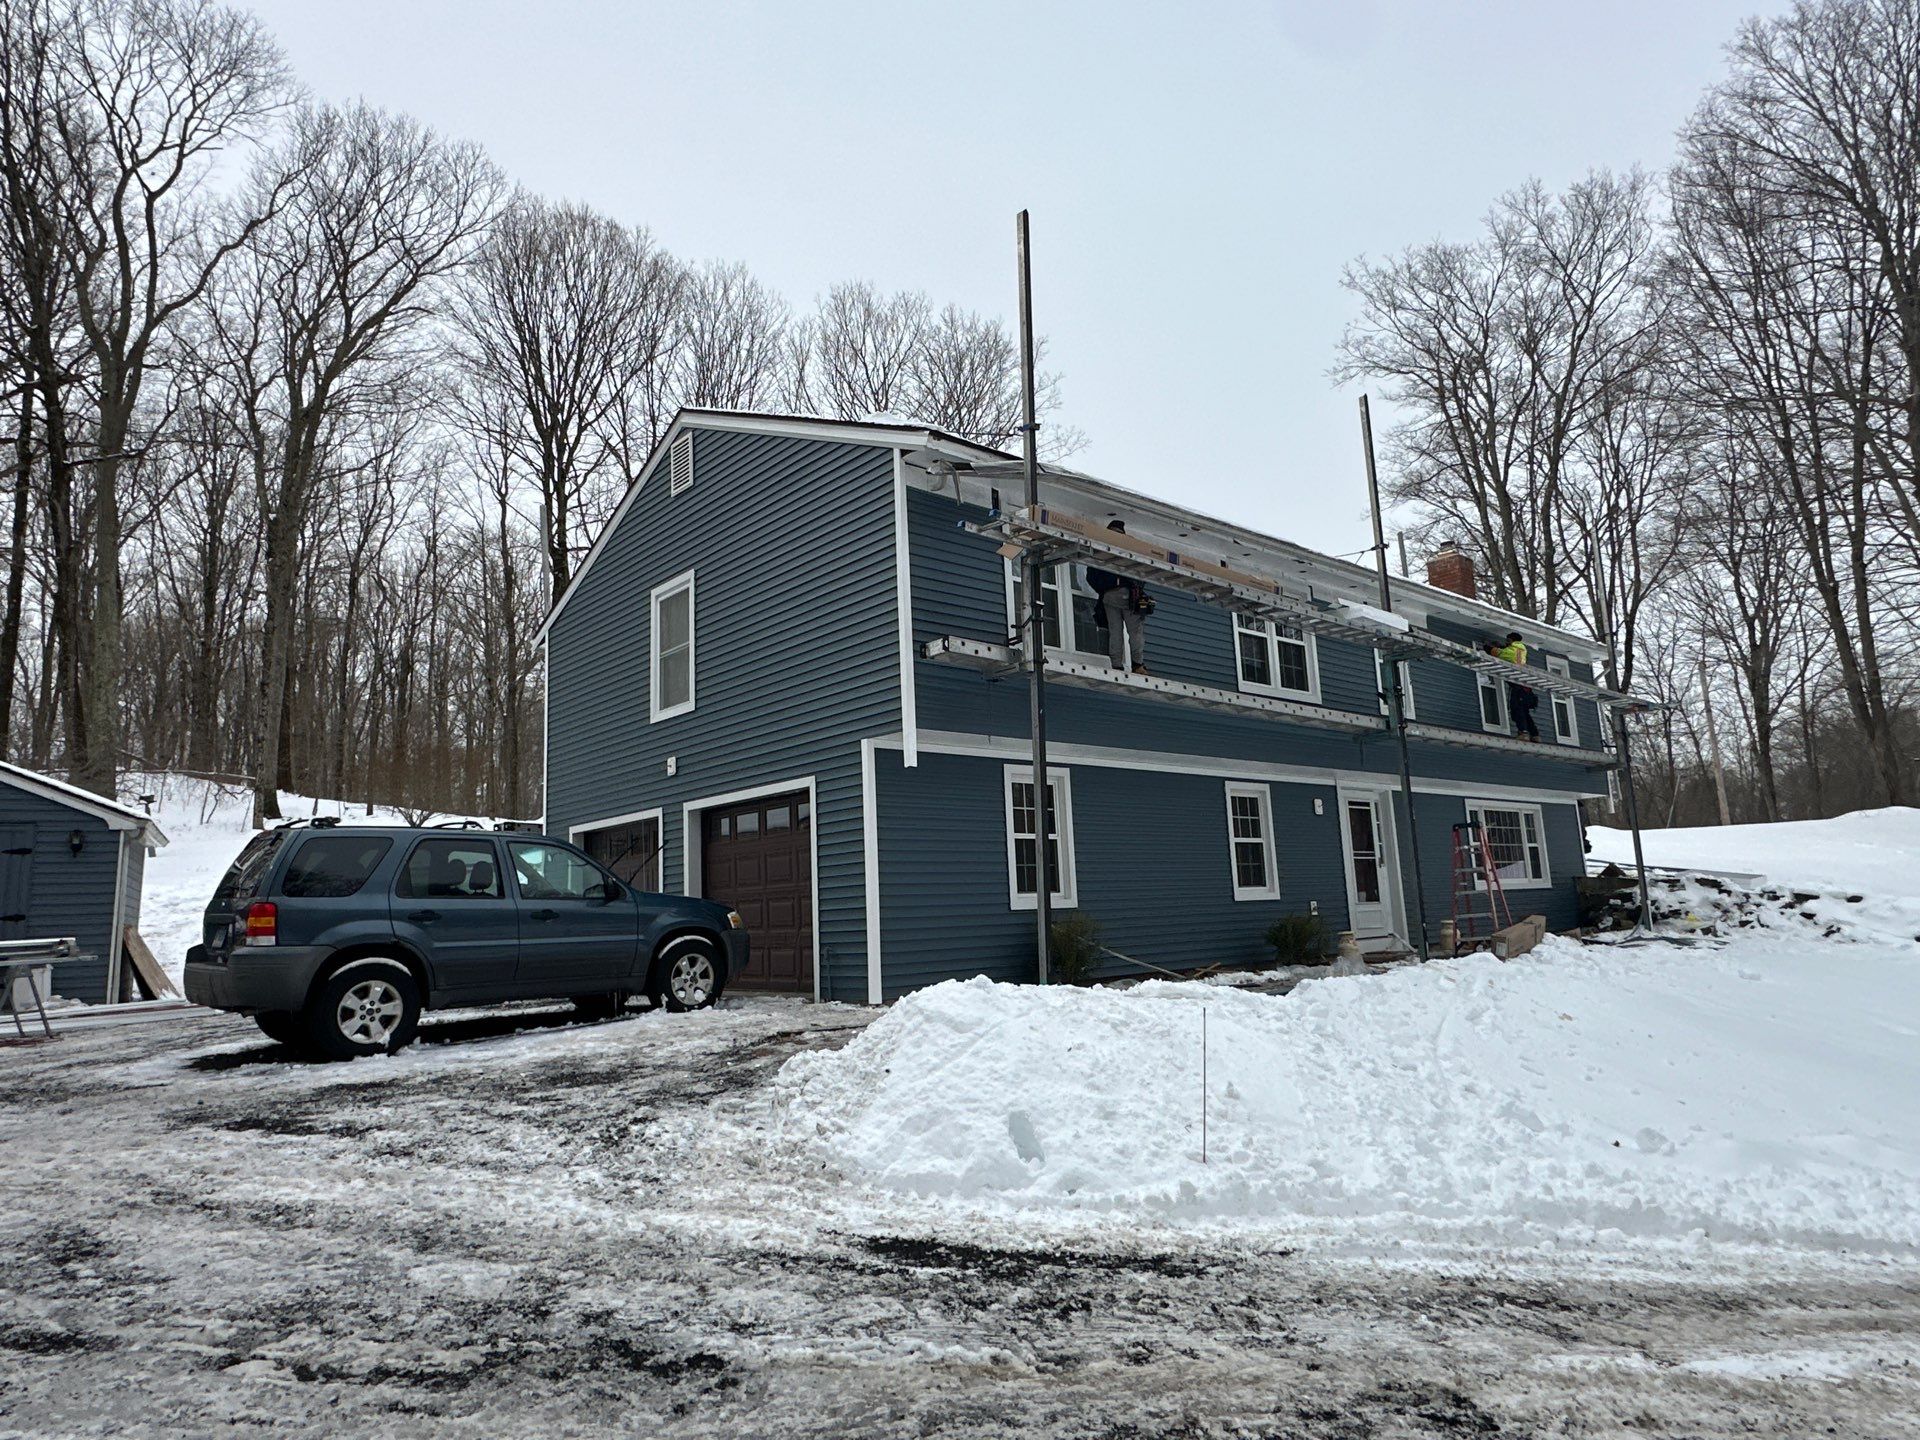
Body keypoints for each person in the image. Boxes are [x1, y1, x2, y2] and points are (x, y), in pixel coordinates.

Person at [1086, 520, 1148, 674]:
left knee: (1115, 631)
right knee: (1135, 631)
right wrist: (1129, 584)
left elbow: (1091, 576)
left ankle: (1116, 665)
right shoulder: (1128, 550)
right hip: (1128, 595)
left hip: (1109, 596)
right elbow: (1141, 574)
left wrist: (1104, 588)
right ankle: (1137, 665)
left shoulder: (1100, 550)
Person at [1486, 630, 1539, 741]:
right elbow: (1508, 653)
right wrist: (1501, 647)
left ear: (1512, 640)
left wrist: (1489, 649)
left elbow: (1503, 654)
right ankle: (1534, 734)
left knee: (1517, 709)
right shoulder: (1519, 650)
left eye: (1508, 640)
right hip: (1523, 686)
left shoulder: (1515, 650)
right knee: (1524, 711)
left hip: (1519, 686)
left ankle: (1523, 732)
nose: (1506, 642)